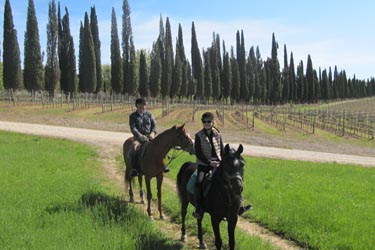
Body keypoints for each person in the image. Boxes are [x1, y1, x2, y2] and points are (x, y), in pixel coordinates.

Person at [192, 112, 251, 219]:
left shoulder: (218, 134)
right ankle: (199, 208)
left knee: (232, 179)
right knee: (199, 181)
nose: (206, 123)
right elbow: (199, 153)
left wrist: (223, 161)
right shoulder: (198, 135)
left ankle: (239, 205)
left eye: (208, 121)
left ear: (213, 122)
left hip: (218, 163)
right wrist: (210, 162)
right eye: (204, 121)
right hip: (204, 164)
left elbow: (222, 150)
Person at [128, 97, 170, 176]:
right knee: (133, 148)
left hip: (150, 137)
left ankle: (163, 165)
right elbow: (133, 128)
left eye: (144, 105)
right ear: (136, 105)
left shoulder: (149, 114)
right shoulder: (132, 116)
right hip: (139, 139)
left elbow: (154, 125)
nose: (143, 107)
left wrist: (153, 133)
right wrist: (140, 136)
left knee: (161, 146)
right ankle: (134, 169)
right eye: (140, 105)